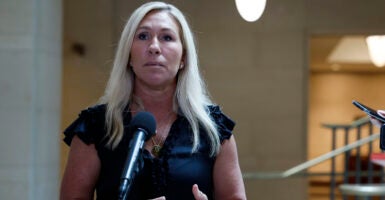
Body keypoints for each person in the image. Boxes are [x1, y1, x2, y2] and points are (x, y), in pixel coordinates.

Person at [60, 1, 246, 200]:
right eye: (143, 36)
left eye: (167, 37)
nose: (154, 47)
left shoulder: (213, 128)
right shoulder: (95, 126)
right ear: (129, 56)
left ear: (183, 57)